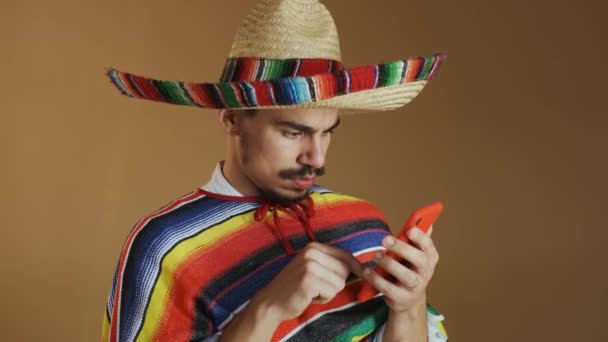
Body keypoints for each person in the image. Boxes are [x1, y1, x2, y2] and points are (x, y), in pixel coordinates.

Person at [102, 0, 448, 341]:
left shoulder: (361, 220)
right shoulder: (164, 248)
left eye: (327, 131)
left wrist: (410, 305)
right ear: (231, 117)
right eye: (293, 132)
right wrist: (267, 309)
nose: (315, 157)